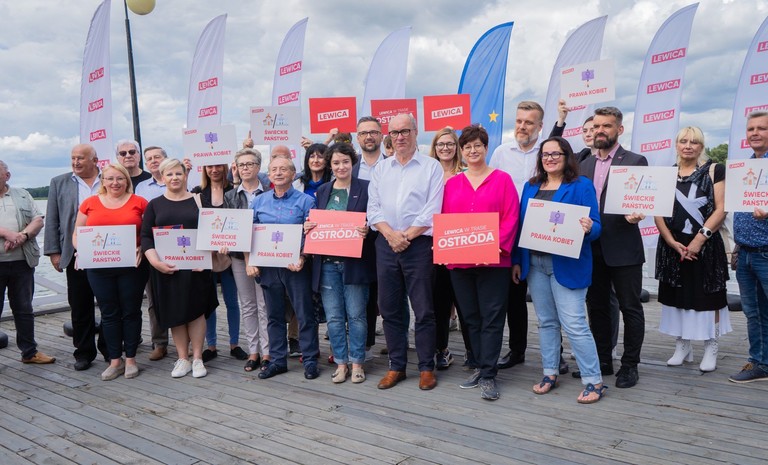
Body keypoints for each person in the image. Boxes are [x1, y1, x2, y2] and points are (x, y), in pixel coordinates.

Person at [515, 136, 605, 403]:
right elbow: (521, 226)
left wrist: (589, 227)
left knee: (575, 323)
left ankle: (593, 380)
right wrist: (517, 261)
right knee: (546, 322)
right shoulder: (530, 186)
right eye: (545, 154)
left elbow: (597, 227)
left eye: (556, 154)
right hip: (535, 264)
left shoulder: (581, 185)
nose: (550, 158)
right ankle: (549, 373)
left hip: (567, 264)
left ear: (567, 157)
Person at [490, 101, 568, 374]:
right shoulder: (501, 153)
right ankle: (517, 350)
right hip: (509, 232)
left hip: (543, 232)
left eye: (529, 122)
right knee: (514, 296)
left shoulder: (547, 152)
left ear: (540, 126)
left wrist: (562, 120)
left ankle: (557, 355)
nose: (522, 126)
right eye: (519, 121)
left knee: (552, 298)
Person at [368, 113, 444, 391]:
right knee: (389, 309)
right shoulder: (381, 169)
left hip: (418, 245)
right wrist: (391, 235)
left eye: (405, 131)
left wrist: (406, 236)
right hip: (386, 244)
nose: (399, 137)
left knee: (423, 309)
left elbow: (432, 209)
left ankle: (426, 368)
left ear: (415, 132)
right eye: (394, 132)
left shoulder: (431, 167)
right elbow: (373, 208)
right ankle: (396, 366)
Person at [442, 125, 518, 400]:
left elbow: (511, 216)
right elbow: (446, 220)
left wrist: (497, 245)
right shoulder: (452, 184)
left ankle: (488, 373)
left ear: (486, 148)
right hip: (460, 263)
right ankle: (478, 364)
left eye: (477, 146)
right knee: (470, 317)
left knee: (492, 317)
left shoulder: (503, 180)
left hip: (494, 262)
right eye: (467, 147)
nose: (472, 151)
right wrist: (446, 246)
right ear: (461, 152)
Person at [579, 106, 647, 388]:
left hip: (623, 245)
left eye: (606, 126)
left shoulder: (635, 161)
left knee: (630, 307)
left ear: (619, 129)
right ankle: (603, 360)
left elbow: (642, 199)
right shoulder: (583, 164)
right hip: (590, 247)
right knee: (596, 307)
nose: (599, 131)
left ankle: (630, 365)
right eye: (596, 126)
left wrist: (639, 213)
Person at [655, 127, 730, 372]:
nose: (688, 146)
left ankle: (711, 346)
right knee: (677, 297)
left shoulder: (714, 170)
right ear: (677, 145)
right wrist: (670, 241)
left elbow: (721, 208)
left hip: (705, 246)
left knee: (709, 296)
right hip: (673, 246)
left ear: (701, 146)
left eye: (694, 142)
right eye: (684, 141)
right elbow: (658, 212)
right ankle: (683, 345)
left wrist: (699, 239)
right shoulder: (667, 174)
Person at [141, 159, 218, 378]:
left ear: (185, 175)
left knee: (196, 312)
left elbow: (213, 232)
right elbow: (146, 236)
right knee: (175, 312)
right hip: (167, 268)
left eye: (178, 173)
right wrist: (155, 262)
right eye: (169, 174)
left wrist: (207, 258)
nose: (174, 178)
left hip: (196, 268)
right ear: (162, 177)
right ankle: (182, 358)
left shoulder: (199, 201)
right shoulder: (154, 205)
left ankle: (198, 358)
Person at [305, 143, 376, 384]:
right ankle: (341, 363)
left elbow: (375, 219)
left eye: (345, 162)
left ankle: (357, 363)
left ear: (352, 163)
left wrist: (368, 230)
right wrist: (309, 226)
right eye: (336, 163)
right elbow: (318, 221)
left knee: (356, 315)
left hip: (355, 263)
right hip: (327, 264)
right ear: (330, 165)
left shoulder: (366, 187)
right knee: (334, 317)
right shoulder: (323, 190)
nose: (341, 166)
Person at [247, 156, 319, 380]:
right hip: (268, 266)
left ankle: (310, 360)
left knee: (304, 314)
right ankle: (278, 361)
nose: (278, 173)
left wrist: (303, 257)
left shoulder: (306, 201)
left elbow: (312, 234)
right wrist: (251, 261)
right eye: (274, 169)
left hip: (295, 266)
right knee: (274, 316)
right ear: (269, 175)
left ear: (293, 174)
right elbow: (248, 233)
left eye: (283, 169)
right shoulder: (258, 202)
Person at [74, 163, 149, 380]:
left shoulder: (140, 202)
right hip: (99, 267)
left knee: (131, 312)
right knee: (109, 313)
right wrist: (82, 249)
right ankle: (115, 360)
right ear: (103, 181)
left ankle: (131, 359)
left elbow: (149, 232)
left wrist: (142, 247)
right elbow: (77, 234)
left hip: (132, 267)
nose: (115, 183)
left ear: (127, 180)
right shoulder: (89, 203)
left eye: (120, 178)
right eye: (110, 178)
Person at [45, 144, 107, 371]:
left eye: (81, 158)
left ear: (95, 160)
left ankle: (109, 349)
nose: (76, 162)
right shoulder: (59, 182)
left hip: (108, 251)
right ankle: (84, 353)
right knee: (80, 305)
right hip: (75, 253)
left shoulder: (110, 179)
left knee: (109, 304)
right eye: (73, 158)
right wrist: (54, 251)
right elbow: (52, 218)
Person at [0, 160, 55, 365]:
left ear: (7, 176)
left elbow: (38, 220)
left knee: (24, 309)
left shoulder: (22, 195)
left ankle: (29, 352)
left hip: (22, 261)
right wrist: (6, 233)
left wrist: (22, 236)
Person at [191, 164, 246, 362]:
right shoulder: (197, 192)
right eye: (210, 166)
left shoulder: (233, 189)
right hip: (207, 255)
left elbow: (240, 218)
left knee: (232, 301)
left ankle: (234, 344)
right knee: (209, 303)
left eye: (218, 166)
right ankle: (211, 345)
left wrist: (237, 179)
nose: (214, 170)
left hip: (230, 255)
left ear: (224, 167)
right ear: (204, 169)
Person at [223, 148, 270, 372]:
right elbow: (229, 228)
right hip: (240, 258)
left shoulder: (269, 192)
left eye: (250, 164)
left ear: (258, 167)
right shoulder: (230, 196)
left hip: (266, 255)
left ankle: (268, 352)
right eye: (241, 165)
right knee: (248, 305)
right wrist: (223, 241)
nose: (245, 168)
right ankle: (253, 352)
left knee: (264, 305)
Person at [730, 111, 768, 383]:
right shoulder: (745, 166)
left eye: (762, 128)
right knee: (753, 312)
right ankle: (759, 362)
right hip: (744, 253)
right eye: (751, 129)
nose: (755, 133)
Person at [429, 127, 468, 370]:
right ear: (434, 147)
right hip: (433, 245)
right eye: (441, 144)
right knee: (438, 301)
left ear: (457, 147)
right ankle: (441, 349)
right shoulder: (427, 173)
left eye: (450, 143)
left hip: (461, 243)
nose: (445, 148)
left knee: (465, 302)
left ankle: (473, 351)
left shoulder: (467, 173)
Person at [135, 146, 170, 361]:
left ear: (166, 159)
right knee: (154, 299)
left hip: (179, 246)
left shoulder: (177, 179)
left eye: (158, 157)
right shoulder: (141, 188)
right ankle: (159, 342)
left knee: (182, 295)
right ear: (146, 164)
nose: (154, 161)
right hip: (152, 248)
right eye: (149, 159)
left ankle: (188, 342)